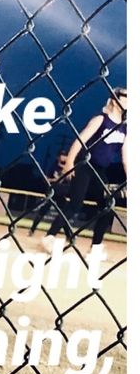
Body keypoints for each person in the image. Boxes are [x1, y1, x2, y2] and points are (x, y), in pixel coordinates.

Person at [41, 88, 127, 253]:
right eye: (126, 97)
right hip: (85, 166)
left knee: (107, 206)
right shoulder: (101, 119)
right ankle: (49, 236)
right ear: (115, 100)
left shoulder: (125, 128)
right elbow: (80, 140)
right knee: (75, 203)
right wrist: (70, 162)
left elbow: (126, 156)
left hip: (100, 170)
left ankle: (96, 246)